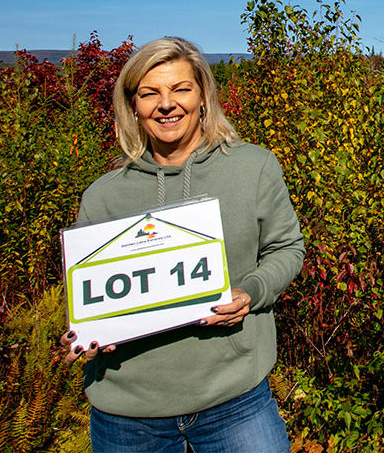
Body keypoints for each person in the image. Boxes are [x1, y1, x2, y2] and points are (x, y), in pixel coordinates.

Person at [60, 36, 304, 452]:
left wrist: (252, 292)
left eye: (180, 89)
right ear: (132, 107)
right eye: (149, 93)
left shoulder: (253, 167)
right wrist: (87, 331)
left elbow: (287, 248)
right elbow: (93, 293)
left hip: (234, 398)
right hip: (128, 415)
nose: (166, 104)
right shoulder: (102, 196)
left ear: (204, 97)